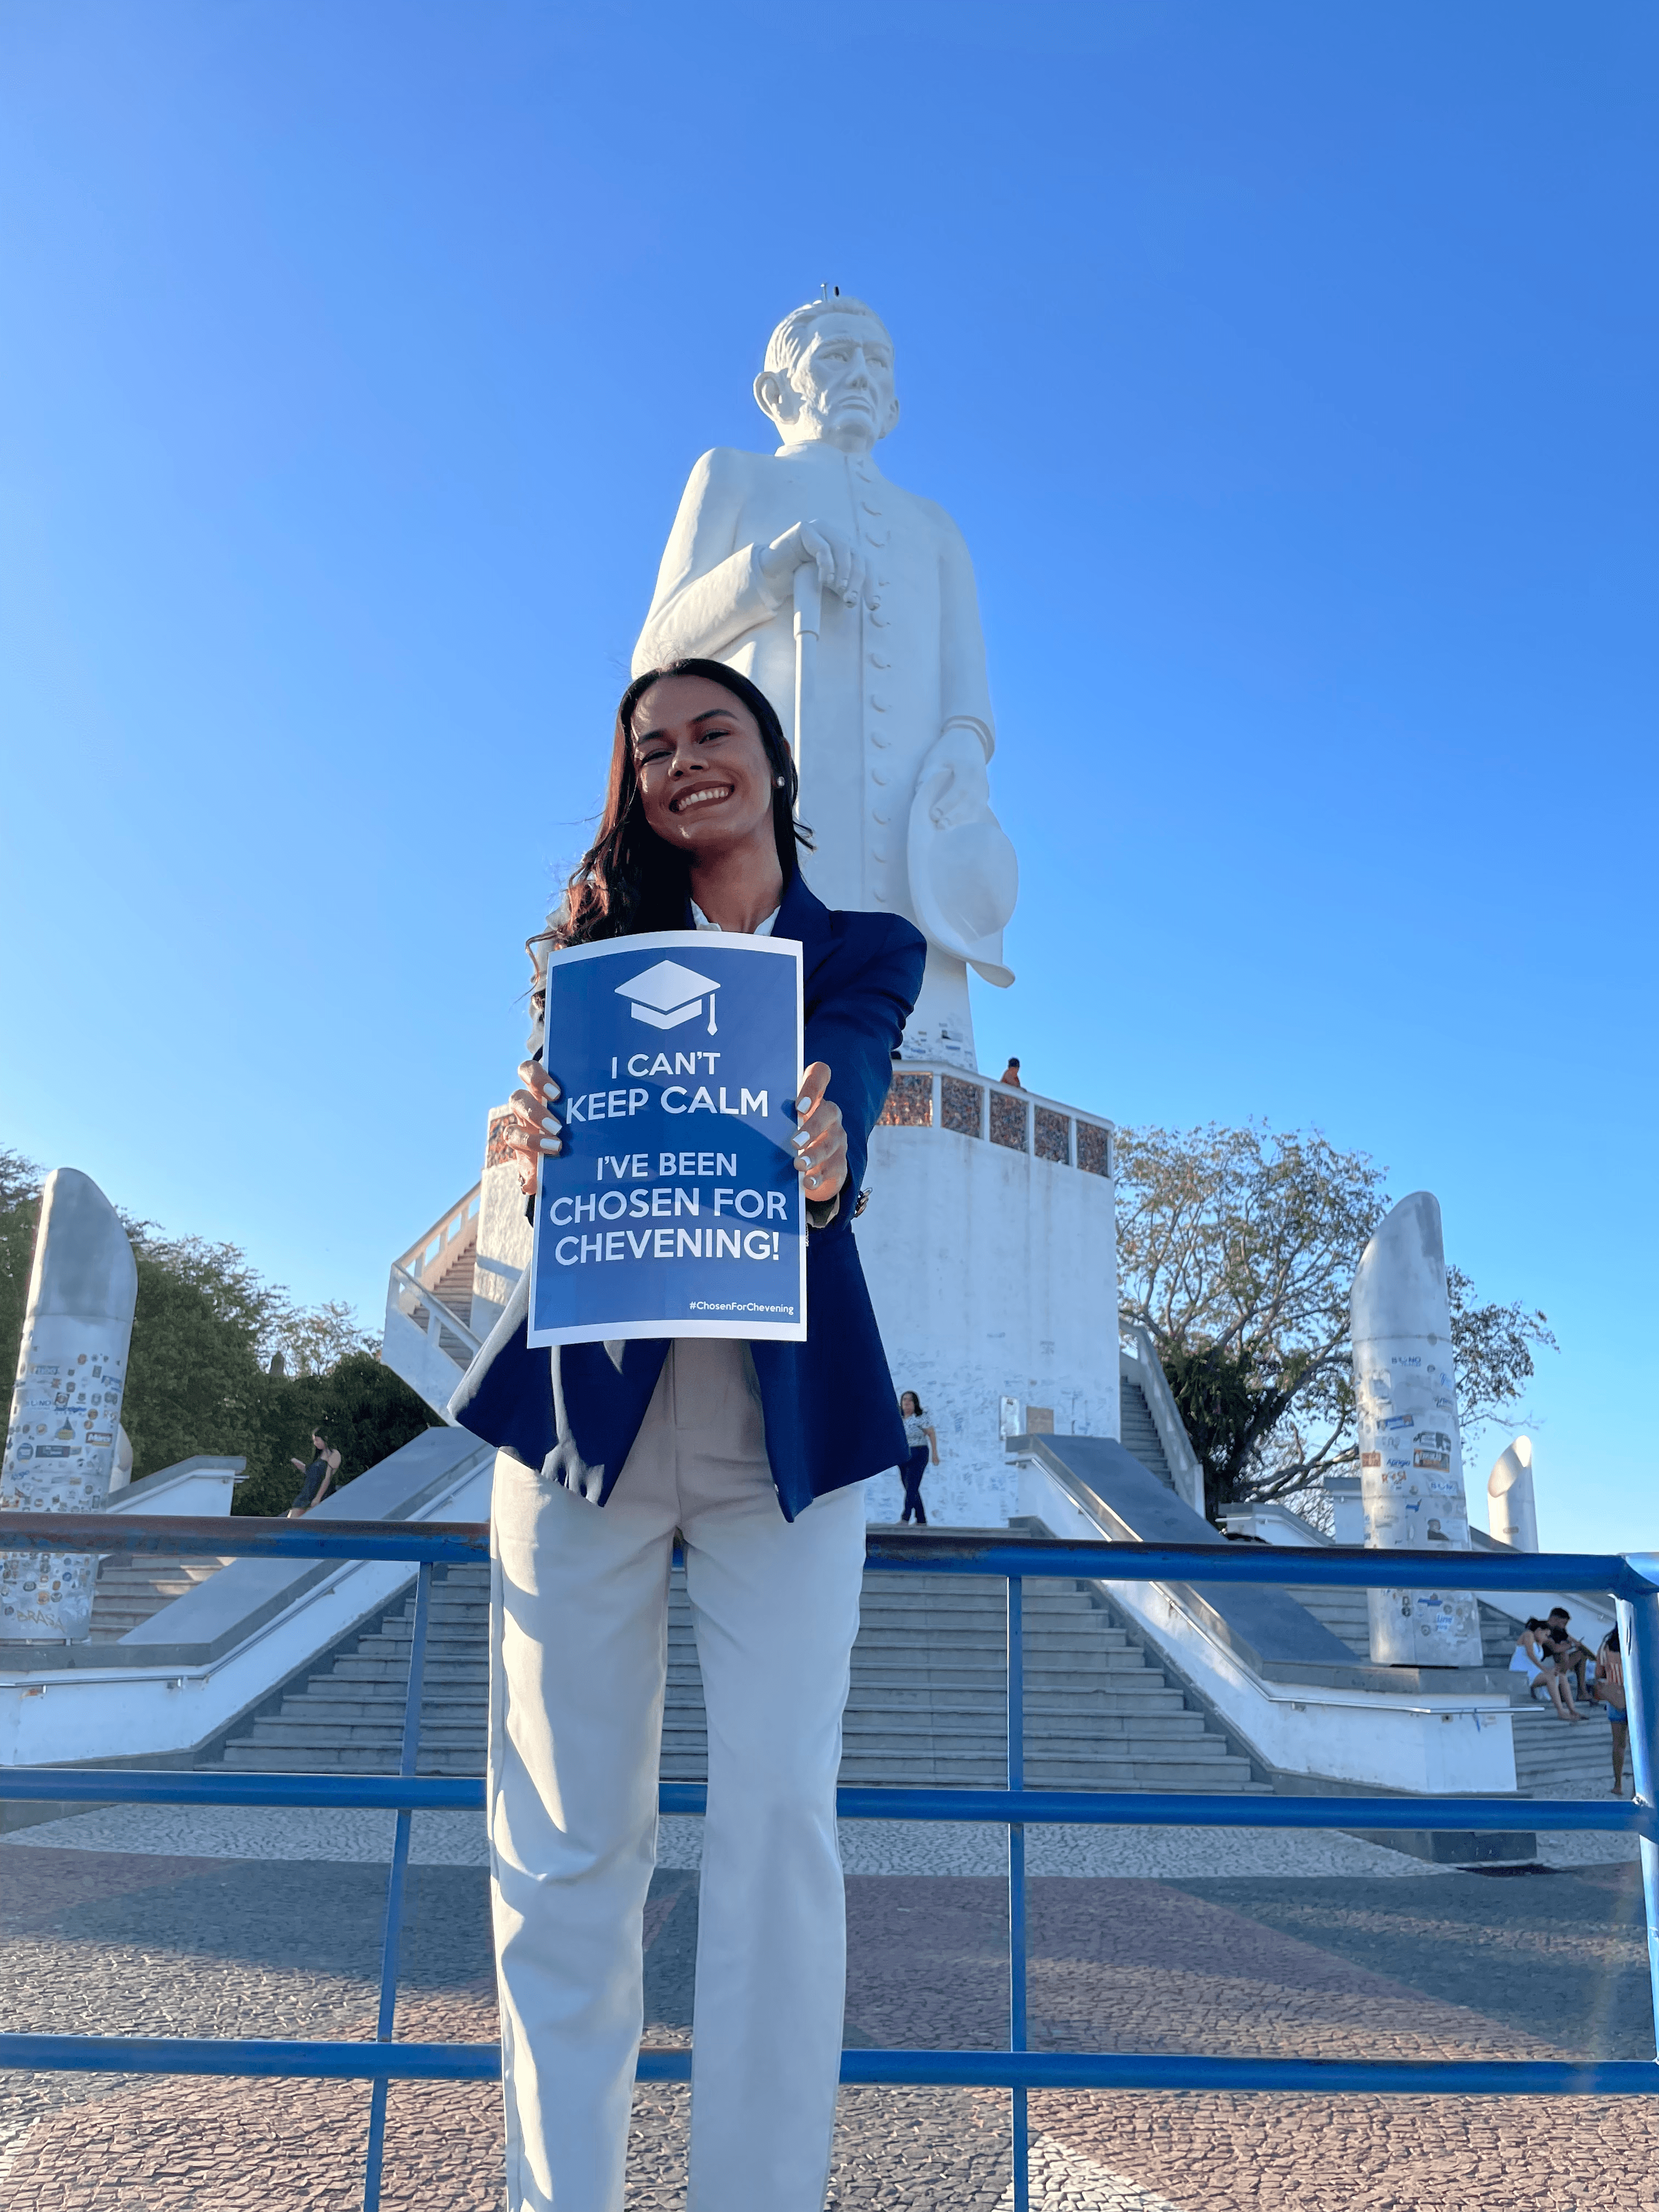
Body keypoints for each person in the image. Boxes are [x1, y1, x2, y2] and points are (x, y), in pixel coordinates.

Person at [449, 658, 924, 2212]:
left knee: (778, 1836)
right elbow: (555, 1138)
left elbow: (847, 1068)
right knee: (567, 1852)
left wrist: (827, 1147)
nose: (682, 763)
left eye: (713, 733)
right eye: (653, 748)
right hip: (583, 1433)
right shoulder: (595, 947)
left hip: (781, 1452)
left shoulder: (862, 950)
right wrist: (520, 1146)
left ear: (775, 762)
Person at [631, 294, 1015, 1069]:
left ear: (898, 400)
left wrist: (966, 748)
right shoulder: (732, 476)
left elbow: (967, 685)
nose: (861, 377)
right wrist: (766, 572)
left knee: (913, 997)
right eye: (836, 357)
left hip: (913, 805)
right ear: (777, 392)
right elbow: (656, 653)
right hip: (775, 783)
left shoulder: (935, 527)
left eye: (877, 363)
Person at [1510, 1617, 1584, 1722]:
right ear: (1539, 1630)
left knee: (1562, 1677)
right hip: (1520, 1674)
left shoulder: (1539, 1642)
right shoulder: (1528, 1635)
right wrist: (1545, 1670)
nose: (1547, 1638)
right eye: (1546, 1635)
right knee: (1550, 1678)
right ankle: (1561, 1711)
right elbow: (1531, 1654)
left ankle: (1573, 1710)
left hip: (1532, 1673)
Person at [1593, 1628, 1630, 1795]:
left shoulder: (1605, 1647)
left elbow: (1598, 1674)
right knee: (1641, 1746)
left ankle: (1618, 1785)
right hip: (1637, 1698)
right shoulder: (1635, 1645)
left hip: (1615, 1698)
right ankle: (1639, 1787)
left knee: (1618, 1744)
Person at [898, 1390, 939, 1525]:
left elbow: (931, 1434)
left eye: (910, 1400)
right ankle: (921, 1520)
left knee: (912, 1486)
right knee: (910, 1487)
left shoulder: (921, 1417)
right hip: (904, 1455)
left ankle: (906, 1518)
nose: (907, 1403)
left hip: (919, 1453)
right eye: (905, 1400)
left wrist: (935, 1454)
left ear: (915, 1403)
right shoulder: (898, 1418)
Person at [286, 1432, 338, 1518]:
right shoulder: (318, 1457)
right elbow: (312, 1474)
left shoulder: (334, 1454)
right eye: (314, 1441)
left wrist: (318, 1498)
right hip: (308, 1493)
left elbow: (327, 1478)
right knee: (292, 1519)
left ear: (325, 1438)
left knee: (309, 1520)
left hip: (319, 1494)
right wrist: (299, 1464)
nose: (315, 1443)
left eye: (317, 1440)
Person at [1546, 1606, 1592, 1699]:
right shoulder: (1543, 1628)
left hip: (1558, 1662)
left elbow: (1576, 1643)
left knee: (1581, 1655)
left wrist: (1593, 1657)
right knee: (1562, 1655)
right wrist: (1569, 1646)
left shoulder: (1560, 1631)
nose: (1564, 1627)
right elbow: (1555, 1649)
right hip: (1545, 1661)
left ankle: (1582, 1692)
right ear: (1554, 1619)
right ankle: (1561, 1692)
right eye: (1563, 1623)